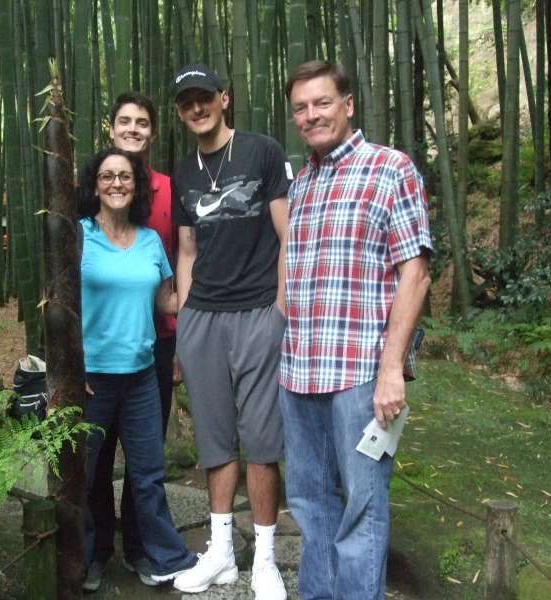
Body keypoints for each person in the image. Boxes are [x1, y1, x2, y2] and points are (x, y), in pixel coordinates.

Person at [279, 59, 432, 600]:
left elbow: (414, 270)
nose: (311, 115)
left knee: (361, 511)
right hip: (299, 373)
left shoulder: (390, 168)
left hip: (359, 378)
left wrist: (392, 369)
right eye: (300, 107)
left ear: (347, 104)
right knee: (310, 508)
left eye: (322, 103)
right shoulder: (301, 183)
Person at [169, 64, 291, 600]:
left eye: (204, 98)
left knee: (262, 440)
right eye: (186, 102)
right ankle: (220, 553)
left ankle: (265, 558)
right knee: (215, 437)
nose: (196, 108)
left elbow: (289, 234)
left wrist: (282, 309)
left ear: (225, 98)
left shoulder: (263, 152)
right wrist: (184, 321)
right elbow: (188, 250)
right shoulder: (183, 170)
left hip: (258, 312)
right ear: (180, 111)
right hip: (203, 318)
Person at [79, 147, 195, 590]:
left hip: (143, 374)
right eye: (107, 176)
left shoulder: (149, 239)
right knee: (86, 475)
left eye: (124, 176)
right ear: (95, 185)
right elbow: (59, 306)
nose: (116, 183)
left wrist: (213, 293)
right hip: (92, 379)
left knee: (147, 474)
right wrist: (69, 371)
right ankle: (86, 556)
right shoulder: (79, 236)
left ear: (136, 185)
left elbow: (168, 299)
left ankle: (161, 554)